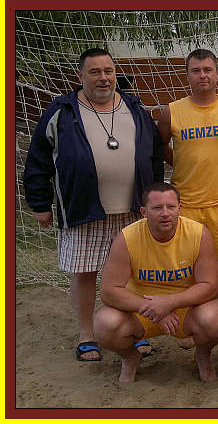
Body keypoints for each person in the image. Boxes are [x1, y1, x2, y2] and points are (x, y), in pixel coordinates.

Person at [23, 48, 163, 361]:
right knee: (84, 272)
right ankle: (87, 334)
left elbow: (154, 157)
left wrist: (153, 199)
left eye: (108, 71)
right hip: (83, 208)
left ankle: (136, 330)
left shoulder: (135, 108)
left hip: (134, 211)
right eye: (95, 72)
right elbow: (38, 160)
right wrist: (40, 203)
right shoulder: (62, 112)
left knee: (135, 275)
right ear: (81, 76)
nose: (103, 78)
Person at [158, 49, 218, 324]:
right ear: (187, 75)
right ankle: (192, 322)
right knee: (188, 269)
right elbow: (160, 146)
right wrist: (182, 164)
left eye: (207, 70)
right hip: (187, 205)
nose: (202, 75)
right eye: (196, 70)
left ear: (217, 74)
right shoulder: (172, 111)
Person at [92, 183, 218, 382]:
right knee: (104, 324)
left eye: (171, 207)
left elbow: (210, 286)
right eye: (157, 208)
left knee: (213, 318)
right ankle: (130, 358)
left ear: (180, 208)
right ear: (143, 212)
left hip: (183, 310)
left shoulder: (199, 234)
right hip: (141, 310)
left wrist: (169, 303)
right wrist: (154, 308)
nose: (165, 213)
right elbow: (109, 291)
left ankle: (203, 356)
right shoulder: (126, 238)